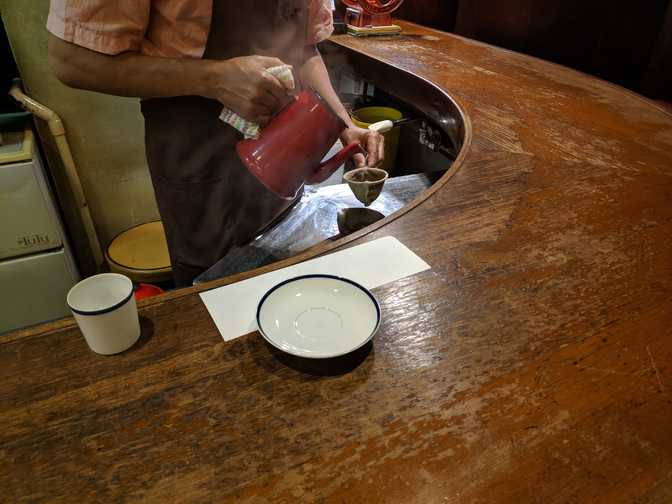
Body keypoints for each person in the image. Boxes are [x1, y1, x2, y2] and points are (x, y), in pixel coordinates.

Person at [47, 0, 384, 286]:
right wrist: (214, 78)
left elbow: (304, 46)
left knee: (288, 277)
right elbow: (72, 61)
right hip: (200, 166)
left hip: (285, 165)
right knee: (214, 297)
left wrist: (344, 123)